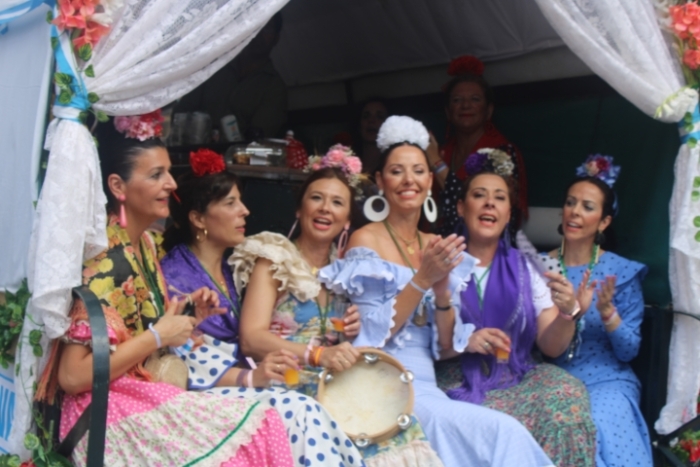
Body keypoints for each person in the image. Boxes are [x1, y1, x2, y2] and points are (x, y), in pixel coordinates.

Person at [36, 112, 294, 466]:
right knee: (260, 425)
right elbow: (72, 376)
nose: (172, 184)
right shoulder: (108, 259)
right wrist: (158, 336)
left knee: (264, 422)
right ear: (117, 187)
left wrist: (185, 313)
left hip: (134, 391)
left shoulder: (143, 246)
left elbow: (133, 326)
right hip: (100, 413)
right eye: (156, 175)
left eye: (169, 172)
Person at [320, 115, 554, 467]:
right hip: (381, 382)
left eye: (418, 170)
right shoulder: (365, 239)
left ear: (430, 181)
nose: (409, 180)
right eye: (397, 171)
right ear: (381, 181)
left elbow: (444, 348)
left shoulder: (436, 244)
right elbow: (369, 336)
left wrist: (444, 297)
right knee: (505, 433)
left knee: (503, 435)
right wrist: (422, 280)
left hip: (427, 384)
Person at [233, 146, 444, 466]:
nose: (325, 209)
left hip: (337, 383)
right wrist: (318, 354)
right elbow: (251, 338)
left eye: (337, 203)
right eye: (316, 198)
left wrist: (351, 332)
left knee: (399, 426)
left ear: (347, 220)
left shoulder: (347, 270)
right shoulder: (274, 259)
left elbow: (367, 332)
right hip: (286, 384)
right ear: (299, 209)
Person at [159, 147, 366, 467]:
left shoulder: (228, 266)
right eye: (231, 203)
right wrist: (250, 378)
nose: (245, 211)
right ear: (198, 218)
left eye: (338, 202)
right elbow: (194, 352)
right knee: (305, 410)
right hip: (213, 388)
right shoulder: (175, 276)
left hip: (254, 380)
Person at [433, 151, 597, 466]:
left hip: (516, 372)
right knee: (498, 427)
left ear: (509, 214)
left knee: (567, 395)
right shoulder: (438, 263)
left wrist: (568, 313)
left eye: (499, 198)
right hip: (455, 378)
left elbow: (550, 346)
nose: (489, 204)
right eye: (479, 196)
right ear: (460, 207)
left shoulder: (528, 268)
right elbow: (418, 342)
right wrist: (462, 342)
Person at [543, 155, 652, 467]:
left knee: (598, 420)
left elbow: (629, 351)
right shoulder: (538, 265)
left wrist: (607, 313)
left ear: (604, 221)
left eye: (587, 206)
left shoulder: (622, 272)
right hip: (553, 381)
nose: (575, 212)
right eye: (570, 202)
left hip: (608, 380)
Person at [426, 55, 528, 235]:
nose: (466, 105)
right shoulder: (443, 149)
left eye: (475, 99)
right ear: (448, 112)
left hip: (484, 248)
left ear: (488, 110)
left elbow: (476, 204)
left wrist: (435, 162)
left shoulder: (502, 152)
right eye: (457, 100)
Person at [177, 14, 287, 139]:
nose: (258, 34)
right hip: (196, 153)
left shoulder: (274, 87)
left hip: (239, 156)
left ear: (276, 39)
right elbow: (181, 113)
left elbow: (259, 137)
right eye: (255, 27)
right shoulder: (214, 68)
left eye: (267, 29)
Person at [355, 98, 389, 174]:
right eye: (366, 116)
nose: (371, 121)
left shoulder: (392, 164)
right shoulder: (346, 165)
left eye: (379, 116)